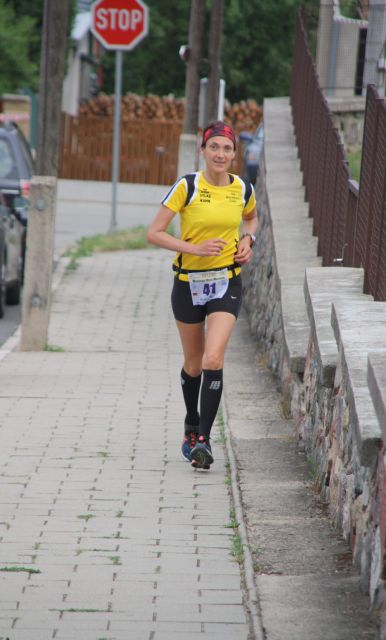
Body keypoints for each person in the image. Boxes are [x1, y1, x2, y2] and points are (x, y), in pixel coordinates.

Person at [147, 120, 258, 469]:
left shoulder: (242, 188)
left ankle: (205, 442)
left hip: (227, 281)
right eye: (214, 147)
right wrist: (192, 247)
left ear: (234, 153)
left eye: (227, 148)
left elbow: (252, 219)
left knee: (213, 358)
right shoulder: (188, 186)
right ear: (204, 150)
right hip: (188, 283)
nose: (220, 154)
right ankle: (191, 425)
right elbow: (154, 232)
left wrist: (248, 240)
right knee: (194, 363)